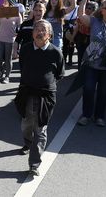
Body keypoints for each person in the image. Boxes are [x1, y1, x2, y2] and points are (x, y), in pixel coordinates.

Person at [15, 19, 65, 176]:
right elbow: (23, 66)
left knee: (40, 129)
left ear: (49, 35)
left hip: (46, 96)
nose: (39, 31)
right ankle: (27, 142)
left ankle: (34, 164)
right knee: (26, 125)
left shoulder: (56, 52)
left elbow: (59, 74)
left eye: (43, 29)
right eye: (37, 28)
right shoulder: (26, 49)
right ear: (32, 33)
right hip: (26, 93)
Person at [0, 0, 22, 84]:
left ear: (10, 3)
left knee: (8, 59)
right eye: (4, 1)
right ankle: (0, 71)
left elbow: (20, 26)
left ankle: (7, 76)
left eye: (6, 1)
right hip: (0, 38)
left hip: (10, 39)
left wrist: (17, 33)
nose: (4, 3)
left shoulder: (16, 13)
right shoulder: (2, 11)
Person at [72, 1, 98, 68]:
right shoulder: (80, 18)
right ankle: (79, 71)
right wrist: (72, 38)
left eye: (89, 8)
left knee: (88, 57)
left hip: (90, 39)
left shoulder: (96, 20)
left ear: (94, 10)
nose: (87, 9)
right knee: (80, 55)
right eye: (86, 7)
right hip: (80, 37)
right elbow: (77, 28)